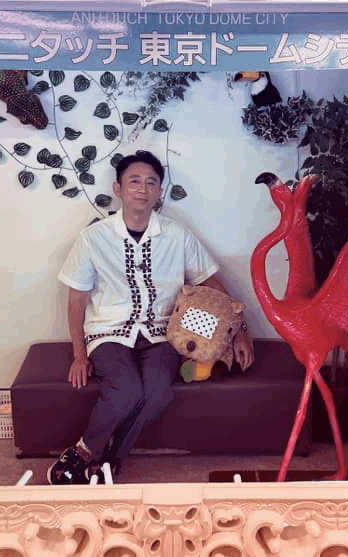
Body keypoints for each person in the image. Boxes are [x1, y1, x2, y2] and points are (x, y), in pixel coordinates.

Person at [48, 150, 254, 485]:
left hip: (163, 333)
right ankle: (84, 451)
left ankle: (111, 459)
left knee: (158, 392)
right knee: (127, 390)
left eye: (151, 182)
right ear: (118, 188)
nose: (142, 189)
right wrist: (79, 355)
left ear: (159, 191)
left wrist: (241, 330)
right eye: (134, 181)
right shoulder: (93, 238)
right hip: (109, 332)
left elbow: (210, 283)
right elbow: (77, 300)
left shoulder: (177, 235)